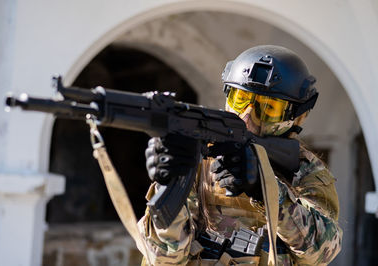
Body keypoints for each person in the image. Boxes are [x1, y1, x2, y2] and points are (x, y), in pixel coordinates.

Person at [138, 45, 342, 265]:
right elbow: (164, 259)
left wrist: (267, 191)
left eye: (268, 109)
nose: (246, 117)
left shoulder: (305, 171)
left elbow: (322, 252)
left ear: (298, 117)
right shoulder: (202, 159)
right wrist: (169, 184)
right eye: (240, 100)